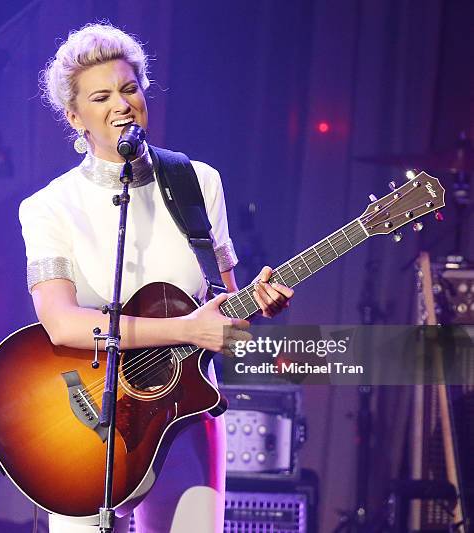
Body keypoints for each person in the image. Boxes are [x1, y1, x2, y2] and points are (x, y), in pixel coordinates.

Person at [19, 22, 294, 533]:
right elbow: (61, 324)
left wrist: (256, 300)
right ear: (75, 117)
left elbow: (224, 303)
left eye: (129, 89)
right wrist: (185, 329)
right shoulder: (48, 207)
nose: (121, 105)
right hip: (87, 423)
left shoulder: (198, 182)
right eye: (102, 96)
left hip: (187, 411)